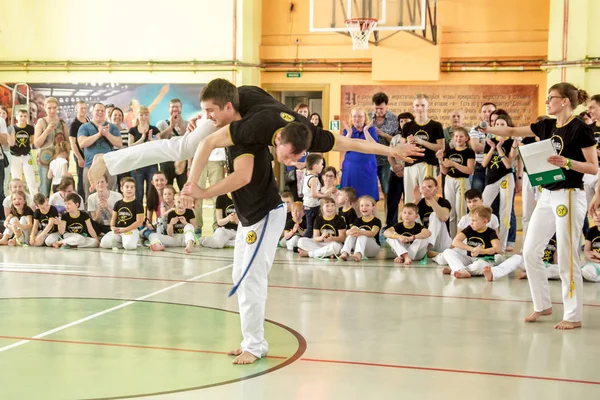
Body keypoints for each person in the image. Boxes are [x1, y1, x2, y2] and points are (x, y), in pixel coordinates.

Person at [87, 82, 422, 191]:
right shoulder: (250, 125)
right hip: (241, 108)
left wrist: (391, 149)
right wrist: (191, 182)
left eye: (295, 159)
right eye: (293, 157)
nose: (295, 162)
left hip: (248, 108)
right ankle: (108, 159)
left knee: (201, 146)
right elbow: (206, 139)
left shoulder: (311, 135)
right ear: (278, 142)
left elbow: (353, 142)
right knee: (185, 145)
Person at [483, 82, 597, 330]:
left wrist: (567, 162)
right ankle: (542, 304)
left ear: (564, 101)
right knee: (530, 251)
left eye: (551, 98)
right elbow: (513, 131)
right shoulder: (545, 125)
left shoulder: (580, 129)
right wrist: (487, 127)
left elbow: (593, 167)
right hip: (547, 194)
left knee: (567, 256)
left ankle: (573, 315)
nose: (547, 101)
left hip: (568, 195)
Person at [432, 188, 500, 266]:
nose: (472, 204)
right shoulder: (464, 219)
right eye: (469, 202)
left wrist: (489, 251)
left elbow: (497, 239)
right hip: (465, 249)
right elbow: (457, 239)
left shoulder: (492, 218)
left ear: (481, 200)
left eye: (475, 201)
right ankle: (439, 256)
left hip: (485, 251)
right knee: (443, 259)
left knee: (496, 259)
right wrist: (451, 250)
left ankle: (460, 268)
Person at [481, 114, 517, 250]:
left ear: (508, 126)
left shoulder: (511, 142)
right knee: (482, 207)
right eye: (497, 125)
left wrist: (500, 147)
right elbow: (484, 163)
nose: (500, 127)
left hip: (506, 178)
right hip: (491, 179)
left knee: (505, 211)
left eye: (503, 124)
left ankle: (501, 246)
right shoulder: (490, 141)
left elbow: (508, 164)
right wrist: (492, 148)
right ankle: (481, 238)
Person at [401, 94, 444, 204]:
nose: (420, 108)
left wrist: (421, 142)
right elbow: (401, 147)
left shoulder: (436, 125)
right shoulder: (407, 126)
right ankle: (411, 220)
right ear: (413, 107)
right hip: (410, 164)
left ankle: (428, 219)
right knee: (410, 196)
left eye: (423, 105)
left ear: (428, 106)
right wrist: (408, 143)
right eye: (417, 105)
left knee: (427, 195)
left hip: (427, 163)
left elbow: (441, 147)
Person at [441, 205, 501, 278]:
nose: (471, 223)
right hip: (469, 259)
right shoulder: (470, 228)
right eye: (470, 220)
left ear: (484, 221)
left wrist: (482, 251)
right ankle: (460, 270)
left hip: (485, 261)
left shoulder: (491, 232)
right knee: (447, 252)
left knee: (478, 266)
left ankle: (455, 269)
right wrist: (472, 249)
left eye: (474, 220)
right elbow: (455, 242)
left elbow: (497, 248)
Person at [437, 126, 475, 238]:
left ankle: (462, 239)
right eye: (456, 136)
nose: (458, 139)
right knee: (451, 212)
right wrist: (440, 159)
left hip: (462, 181)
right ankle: (453, 239)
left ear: (466, 138)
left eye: (461, 136)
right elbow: (444, 171)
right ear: (453, 138)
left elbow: (469, 170)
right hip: (449, 181)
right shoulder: (450, 152)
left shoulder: (469, 152)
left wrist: (454, 164)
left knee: (461, 212)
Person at [78, 103, 122, 197]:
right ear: (92, 112)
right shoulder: (84, 127)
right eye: (97, 110)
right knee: (90, 197)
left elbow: (119, 143)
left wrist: (106, 134)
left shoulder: (112, 127)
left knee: (110, 196)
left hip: (109, 167)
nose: (100, 112)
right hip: (90, 166)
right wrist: (98, 134)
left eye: (102, 111)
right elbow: (82, 143)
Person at [340, 107, 379, 200]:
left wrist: (365, 131)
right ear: (351, 118)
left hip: (367, 169)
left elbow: (374, 147)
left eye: (360, 116)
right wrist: (349, 132)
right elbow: (343, 147)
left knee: (369, 199)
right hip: (350, 170)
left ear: (365, 118)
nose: (357, 119)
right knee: (349, 198)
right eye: (354, 116)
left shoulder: (371, 130)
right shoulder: (347, 131)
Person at [34, 97, 69, 197]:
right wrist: (47, 131)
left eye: (54, 107)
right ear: (45, 108)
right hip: (45, 160)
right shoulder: (41, 121)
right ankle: (42, 212)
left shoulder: (62, 123)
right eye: (49, 108)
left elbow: (67, 142)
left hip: (60, 161)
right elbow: (37, 143)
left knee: (62, 190)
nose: (52, 110)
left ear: (57, 107)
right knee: (44, 190)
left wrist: (66, 156)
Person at [369, 92, 399, 206]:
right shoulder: (367, 118)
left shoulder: (394, 119)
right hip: (370, 160)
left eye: (381, 108)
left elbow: (397, 141)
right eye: (376, 108)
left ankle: (388, 221)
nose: (378, 111)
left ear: (386, 106)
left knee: (387, 191)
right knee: (369, 192)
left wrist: (383, 134)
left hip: (387, 161)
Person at [386, 112, 414, 228]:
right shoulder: (396, 138)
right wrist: (396, 167)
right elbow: (390, 155)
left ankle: (408, 224)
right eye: (401, 121)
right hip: (395, 173)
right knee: (392, 201)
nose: (403, 123)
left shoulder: (414, 139)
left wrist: (403, 168)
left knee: (409, 199)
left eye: (406, 121)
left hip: (409, 172)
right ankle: (390, 225)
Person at [486, 236, 557, 282]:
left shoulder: (557, 237)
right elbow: (528, 252)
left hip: (547, 266)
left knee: (560, 269)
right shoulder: (536, 233)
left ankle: (529, 274)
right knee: (517, 258)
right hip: (533, 263)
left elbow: (556, 259)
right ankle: (494, 273)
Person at [100, 177, 144, 250]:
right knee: (103, 243)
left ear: (135, 189)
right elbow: (113, 219)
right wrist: (112, 227)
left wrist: (125, 229)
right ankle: (123, 243)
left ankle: (130, 242)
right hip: (118, 230)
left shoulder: (138, 204)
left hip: (130, 230)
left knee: (129, 246)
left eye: (132, 187)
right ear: (121, 189)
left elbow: (139, 222)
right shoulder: (118, 203)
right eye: (127, 187)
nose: (129, 189)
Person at [414, 177, 452, 257]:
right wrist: (415, 201)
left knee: (434, 215)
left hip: (441, 241)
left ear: (437, 188)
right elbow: (402, 217)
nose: (427, 189)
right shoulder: (420, 202)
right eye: (424, 187)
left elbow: (444, 217)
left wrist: (430, 199)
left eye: (430, 187)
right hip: (425, 238)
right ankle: (428, 251)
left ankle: (428, 248)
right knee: (413, 215)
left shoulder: (444, 202)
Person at [128, 106, 159, 202]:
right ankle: (139, 216)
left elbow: (160, 144)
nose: (143, 117)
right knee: (138, 193)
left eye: (146, 114)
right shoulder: (132, 130)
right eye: (141, 115)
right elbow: (130, 146)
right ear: (137, 116)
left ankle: (149, 216)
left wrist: (151, 139)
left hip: (151, 165)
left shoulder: (154, 129)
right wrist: (142, 138)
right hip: (137, 165)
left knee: (151, 193)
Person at [156, 99, 188, 188]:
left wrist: (181, 125)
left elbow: (190, 140)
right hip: (166, 160)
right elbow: (160, 139)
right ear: (169, 109)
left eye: (177, 107)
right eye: (172, 107)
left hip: (182, 160)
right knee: (166, 188)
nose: (175, 109)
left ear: (181, 108)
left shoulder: (187, 123)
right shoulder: (161, 123)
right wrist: (171, 126)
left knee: (184, 188)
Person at [339, 195, 381, 262]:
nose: (364, 207)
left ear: (373, 207)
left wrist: (361, 232)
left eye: (367, 205)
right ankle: (345, 252)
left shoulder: (376, 221)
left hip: (372, 249)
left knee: (362, 231)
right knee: (353, 231)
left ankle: (358, 254)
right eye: (362, 206)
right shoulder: (358, 220)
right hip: (360, 247)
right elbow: (348, 232)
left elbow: (373, 233)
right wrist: (349, 232)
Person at [7, 108, 37, 195]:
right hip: (14, 156)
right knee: (16, 178)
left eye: (25, 116)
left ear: (27, 117)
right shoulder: (12, 128)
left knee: (30, 178)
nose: (23, 118)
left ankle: (34, 198)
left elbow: (32, 141)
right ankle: (16, 197)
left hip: (26, 155)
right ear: (16, 117)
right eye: (21, 116)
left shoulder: (30, 128)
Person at [469, 103, 496, 193]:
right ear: (480, 114)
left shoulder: (499, 128)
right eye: (484, 111)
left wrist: (482, 143)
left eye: (490, 111)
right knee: (476, 196)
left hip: (495, 167)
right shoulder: (475, 129)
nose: (487, 114)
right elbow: (475, 147)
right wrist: (493, 147)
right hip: (479, 167)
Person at [69, 100, 89, 200]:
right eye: (81, 108)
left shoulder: (88, 121)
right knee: (81, 180)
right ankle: (80, 203)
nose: (83, 110)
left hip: (89, 155)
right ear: (76, 109)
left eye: (85, 108)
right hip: (80, 156)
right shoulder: (74, 124)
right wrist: (79, 158)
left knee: (89, 179)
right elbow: (72, 142)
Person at [302, 153, 326, 238]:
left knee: (312, 227)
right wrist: (325, 195)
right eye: (321, 164)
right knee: (311, 228)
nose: (322, 166)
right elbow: (314, 194)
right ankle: (301, 244)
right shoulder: (314, 179)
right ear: (315, 166)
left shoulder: (307, 175)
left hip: (308, 205)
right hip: (312, 206)